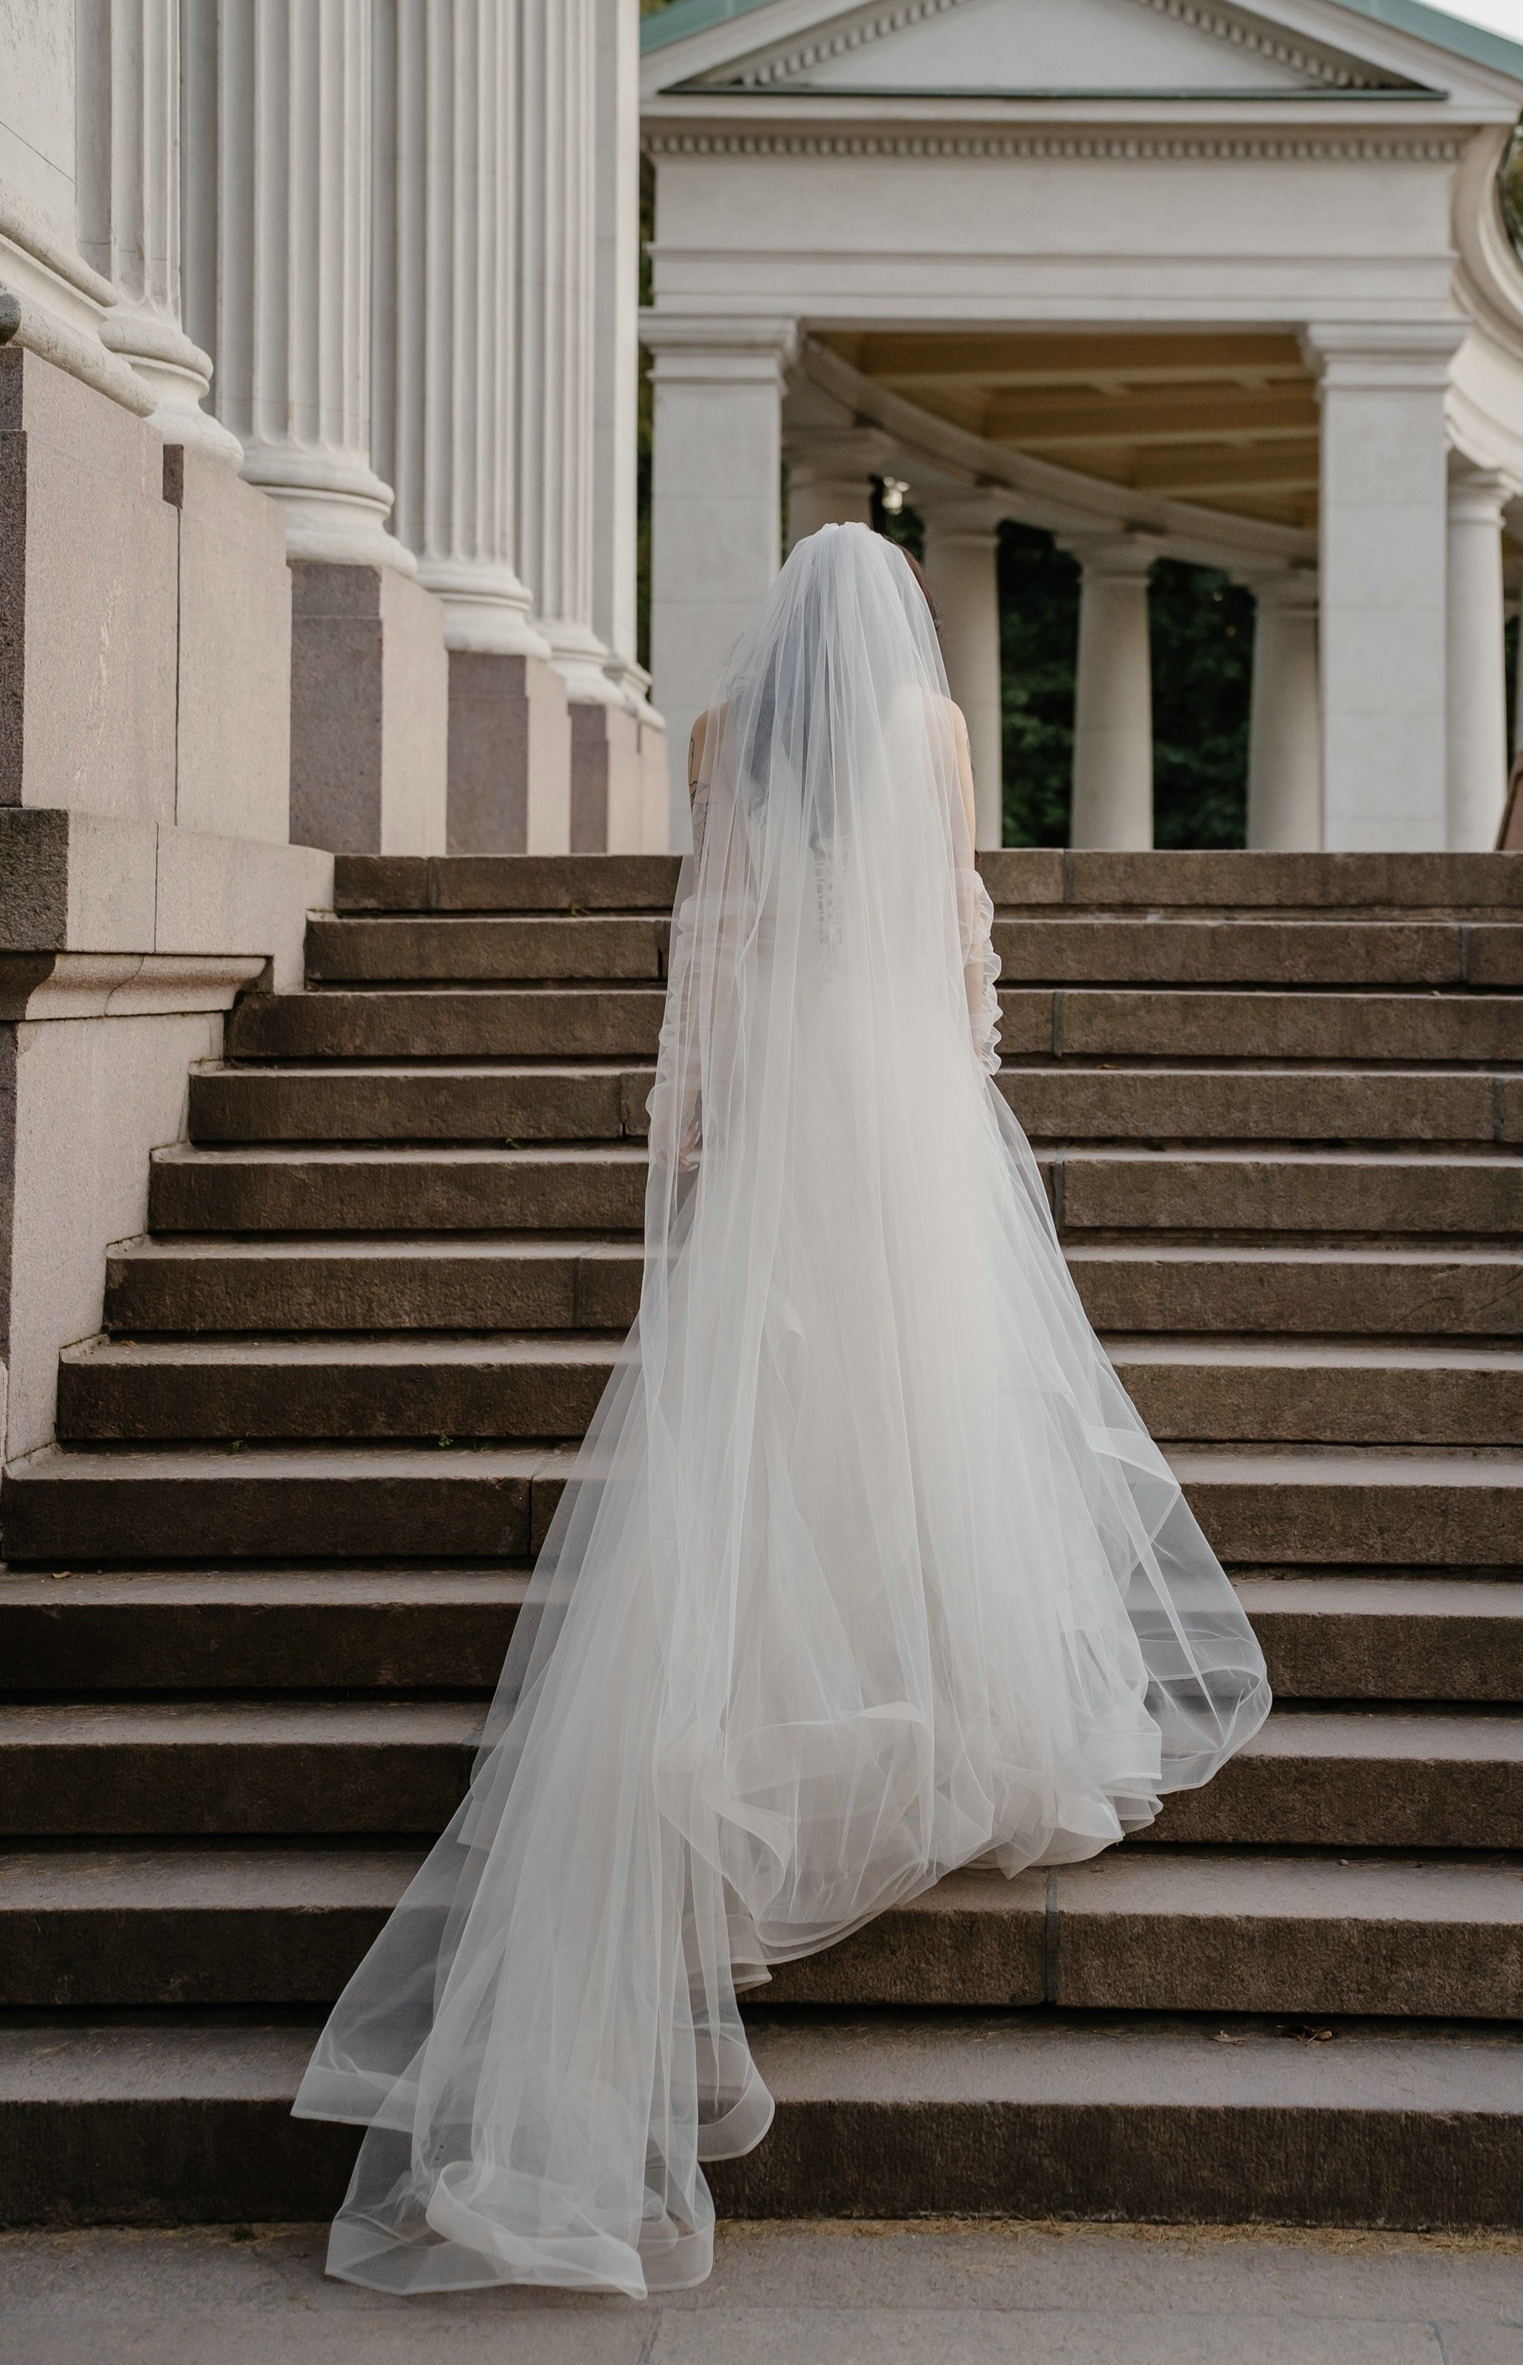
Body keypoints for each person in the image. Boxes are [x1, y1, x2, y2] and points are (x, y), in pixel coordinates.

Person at [294, 522, 1271, 2296]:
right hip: (904, 1107)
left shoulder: (725, 739)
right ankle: (942, 1691)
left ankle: (769, 1716)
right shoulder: (939, 730)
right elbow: (966, 943)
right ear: (889, 623)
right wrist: (966, 1105)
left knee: (774, 1427)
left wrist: (692, 1131)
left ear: (777, 627)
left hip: (791, 1107)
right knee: (931, 1413)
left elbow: (718, 948)